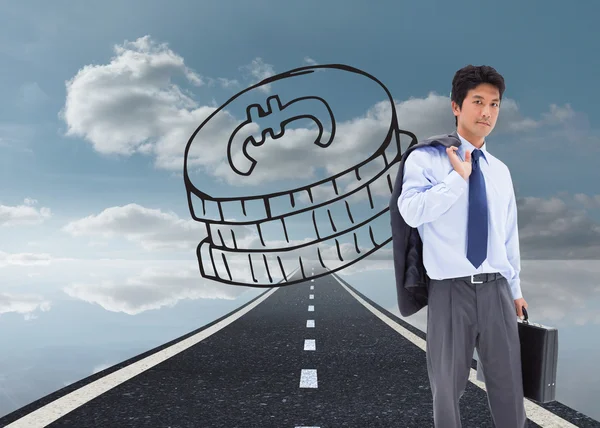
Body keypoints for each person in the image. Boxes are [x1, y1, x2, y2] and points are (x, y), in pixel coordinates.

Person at [397, 64, 528, 427]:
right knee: (446, 390)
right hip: (450, 291)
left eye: (495, 104)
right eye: (478, 102)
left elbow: (508, 234)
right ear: (456, 106)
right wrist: (457, 181)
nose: (487, 112)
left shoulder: (500, 170)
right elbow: (410, 211)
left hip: (497, 291)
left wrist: (515, 288)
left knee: (509, 388)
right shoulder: (427, 158)